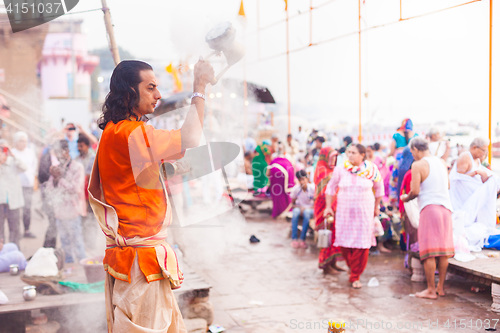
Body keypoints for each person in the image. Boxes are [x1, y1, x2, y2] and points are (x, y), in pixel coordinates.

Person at [88, 59, 214, 332]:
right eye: (151, 88)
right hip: (141, 265)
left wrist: (164, 169)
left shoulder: (112, 132)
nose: (159, 95)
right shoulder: (135, 132)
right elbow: (191, 136)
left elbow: (128, 178)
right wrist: (199, 86)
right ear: (129, 93)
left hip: (128, 260)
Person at [400, 137, 454, 299]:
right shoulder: (441, 163)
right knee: (443, 252)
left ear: (416, 149)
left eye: (412, 152)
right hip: (446, 209)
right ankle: (440, 288)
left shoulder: (418, 165)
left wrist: (405, 198)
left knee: (429, 252)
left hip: (430, 209)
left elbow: (415, 191)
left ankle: (430, 290)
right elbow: (448, 186)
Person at [324, 144, 384, 288]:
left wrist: (377, 207)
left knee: (362, 243)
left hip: (364, 212)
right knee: (345, 241)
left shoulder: (371, 169)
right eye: (348, 152)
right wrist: (328, 207)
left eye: (353, 153)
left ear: (362, 155)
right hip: (344, 211)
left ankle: (355, 275)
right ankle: (352, 267)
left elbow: (379, 188)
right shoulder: (341, 169)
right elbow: (330, 188)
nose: (350, 155)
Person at [449, 137, 500, 250]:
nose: (484, 153)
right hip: (463, 199)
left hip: (472, 196)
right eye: (483, 150)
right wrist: (476, 173)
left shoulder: (477, 160)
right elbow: (457, 179)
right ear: (474, 147)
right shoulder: (465, 157)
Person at [46, 140, 86, 264]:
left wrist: (60, 178)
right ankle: (69, 265)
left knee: (77, 241)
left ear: (66, 151)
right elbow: (49, 189)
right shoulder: (57, 168)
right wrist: (54, 179)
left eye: (59, 152)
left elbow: (76, 189)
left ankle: (83, 265)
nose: (57, 155)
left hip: (73, 211)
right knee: (64, 241)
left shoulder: (77, 167)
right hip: (60, 212)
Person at [313, 147, 344, 274]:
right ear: (325, 157)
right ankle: (325, 264)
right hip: (325, 209)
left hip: (336, 208)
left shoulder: (334, 171)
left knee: (334, 237)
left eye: (336, 157)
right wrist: (329, 206)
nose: (334, 160)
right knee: (326, 236)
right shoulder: (321, 170)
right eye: (332, 157)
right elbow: (323, 193)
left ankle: (333, 263)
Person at [10, 131, 37, 238]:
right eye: (21, 141)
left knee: (27, 209)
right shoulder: (12, 153)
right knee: (16, 209)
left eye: (25, 141)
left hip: (28, 184)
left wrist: (33, 179)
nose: (23, 143)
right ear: (16, 142)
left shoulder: (30, 152)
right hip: (16, 185)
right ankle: (15, 230)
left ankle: (27, 230)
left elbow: (34, 166)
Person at [280, 170, 315, 249]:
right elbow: (293, 204)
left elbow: (316, 204)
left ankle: (302, 239)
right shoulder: (296, 189)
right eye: (300, 180)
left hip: (309, 209)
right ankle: (294, 239)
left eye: (303, 179)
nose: (302, 182)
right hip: (299, 208)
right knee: (295, 213)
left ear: (307, 179)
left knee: (307, 213)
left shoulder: (312, 189)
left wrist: (306, 208)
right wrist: (299, 208)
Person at [0, 140, 26, 247]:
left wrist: (12, 154)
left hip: (13, 202)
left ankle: (14, 252)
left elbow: (24, 168)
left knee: (14, 230)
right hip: (0, 202)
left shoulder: (13, 162)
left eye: (3, 149)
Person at [75, 134, 97, 250]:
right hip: (80, 196)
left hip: (91, 195)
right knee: (82, 220)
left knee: (91, 220)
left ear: (87, 146)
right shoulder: (77, 159)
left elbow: (89, 176)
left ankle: (92, 245)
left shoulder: (93, 158)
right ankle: (84, 245)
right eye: (78, 146)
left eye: (81, 146)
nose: (79, 148)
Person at [267, 153, 295, 219]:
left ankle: (277, 212)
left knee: (277, 195)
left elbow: (267, 173)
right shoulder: (287, 162)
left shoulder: (273, 162)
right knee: (283, 195)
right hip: (283, 180)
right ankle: (284, 212)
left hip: (276, 180)